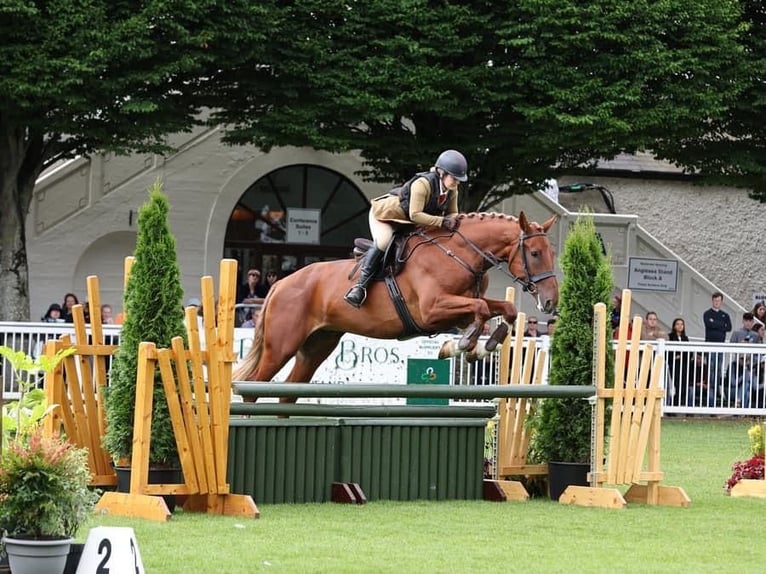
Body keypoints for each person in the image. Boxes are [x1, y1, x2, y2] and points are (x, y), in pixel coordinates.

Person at [343, 149, 467, 308]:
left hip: (409, 222)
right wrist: (442, 221)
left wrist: (457, 222)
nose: (457, 182)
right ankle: (359, 287)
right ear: (441, 172)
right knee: (384, 241)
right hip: (386, 216)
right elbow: (415, 214)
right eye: (454, 178)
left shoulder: (452, 190)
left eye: (458, 179)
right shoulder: (423, 184)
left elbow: (452, 213)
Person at [703, 291, 731, 407]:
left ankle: (718, 390)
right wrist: (721, 326)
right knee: (711, 369)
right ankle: (710, 393)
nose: (717, 302)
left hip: (720, 345)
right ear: (712, 301)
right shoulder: (707, 313)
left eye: (719, 301)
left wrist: (716, 324)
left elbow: (728, 327)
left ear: (721, 302)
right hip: (710, 345)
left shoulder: (725, 315)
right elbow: (709, 324)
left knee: (719, 369)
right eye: (715, 300)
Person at [666, 318, 690, 407]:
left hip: (683, 365)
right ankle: (671, 404)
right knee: (674, 384)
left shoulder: (685, 338)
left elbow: (688, 352)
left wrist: (682, 356)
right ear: (674, 326)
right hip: (673, 365)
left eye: (681, 324)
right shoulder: (670, 336)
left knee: (682, 385)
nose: (680, 326)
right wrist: (676, 356)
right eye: (677, 324)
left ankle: (679, 404)